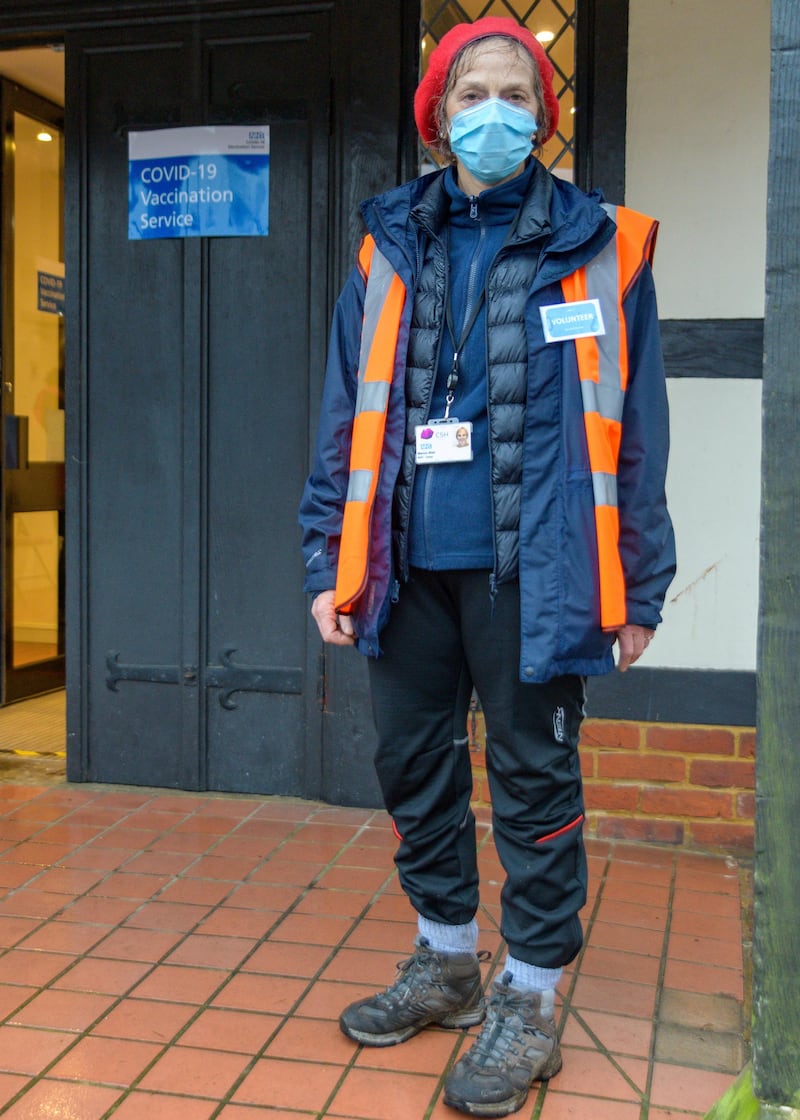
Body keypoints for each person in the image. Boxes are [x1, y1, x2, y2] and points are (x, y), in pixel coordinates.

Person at [299, 16, 675, 1118]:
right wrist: (331, 556)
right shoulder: (385, 247)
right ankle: (449, 960)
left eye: (516, 91)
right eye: (473, 92)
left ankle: (531, 993)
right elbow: (341, 419)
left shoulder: (605, 246)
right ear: (437, 112)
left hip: (540, 572)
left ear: (543, 117)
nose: (494, 110)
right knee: (413, 769)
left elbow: (637, 427)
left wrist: (637, 586)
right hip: (404, 566)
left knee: (534, 785)